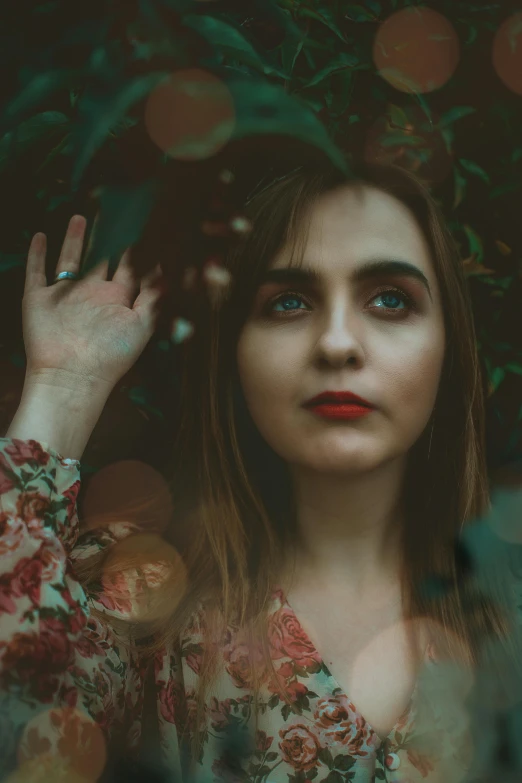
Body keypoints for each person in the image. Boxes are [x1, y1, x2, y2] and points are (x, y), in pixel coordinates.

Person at [1, 160, 520, 783]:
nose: (336, 343)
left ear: (449, 348)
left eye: (389, 299)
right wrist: (63, 386)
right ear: (235, 355)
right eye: (289, 302)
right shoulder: (140, 594)